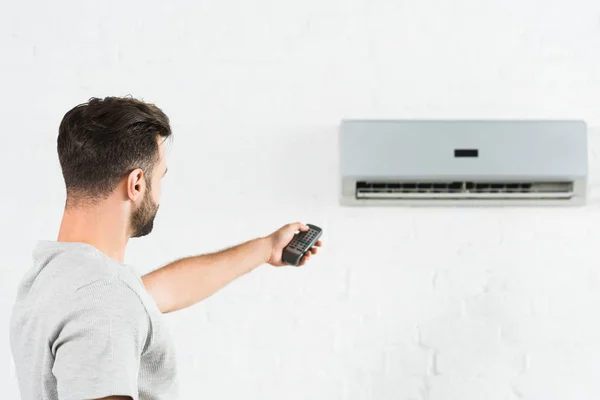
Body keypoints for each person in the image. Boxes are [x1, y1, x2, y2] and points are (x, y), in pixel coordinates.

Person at [9, 96, 323, 400]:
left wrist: (266, 248)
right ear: (136, 184)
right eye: (160, 177)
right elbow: (118, 304)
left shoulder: (55, 276)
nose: (159, 193)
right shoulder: (105, 298)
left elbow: (159, 293)